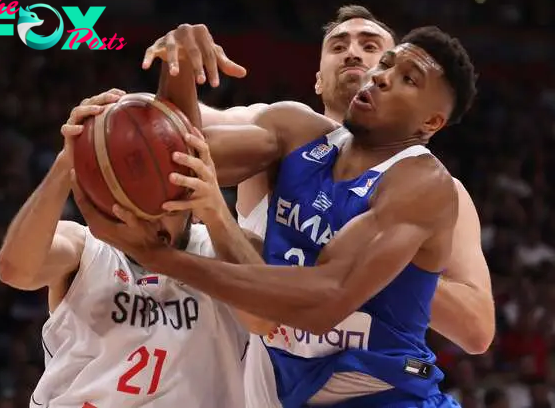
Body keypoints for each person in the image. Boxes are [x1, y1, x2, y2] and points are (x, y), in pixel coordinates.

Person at [77, 26, 478, 407]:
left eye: (408, 79)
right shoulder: (299, 134)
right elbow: (179, 163)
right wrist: (179, 66)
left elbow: (326, 301)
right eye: (387, 63)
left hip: (389, 395)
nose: (382, 77)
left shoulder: (422, 183)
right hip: (286, 390)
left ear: (431, 122)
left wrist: (161, 258)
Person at [0, 89, 255, 407]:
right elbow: (15, 270)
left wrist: (216, 212)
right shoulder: (85, 248)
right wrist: (67, 164)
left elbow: (267, 317)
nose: (153, 214)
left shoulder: (226, 248)